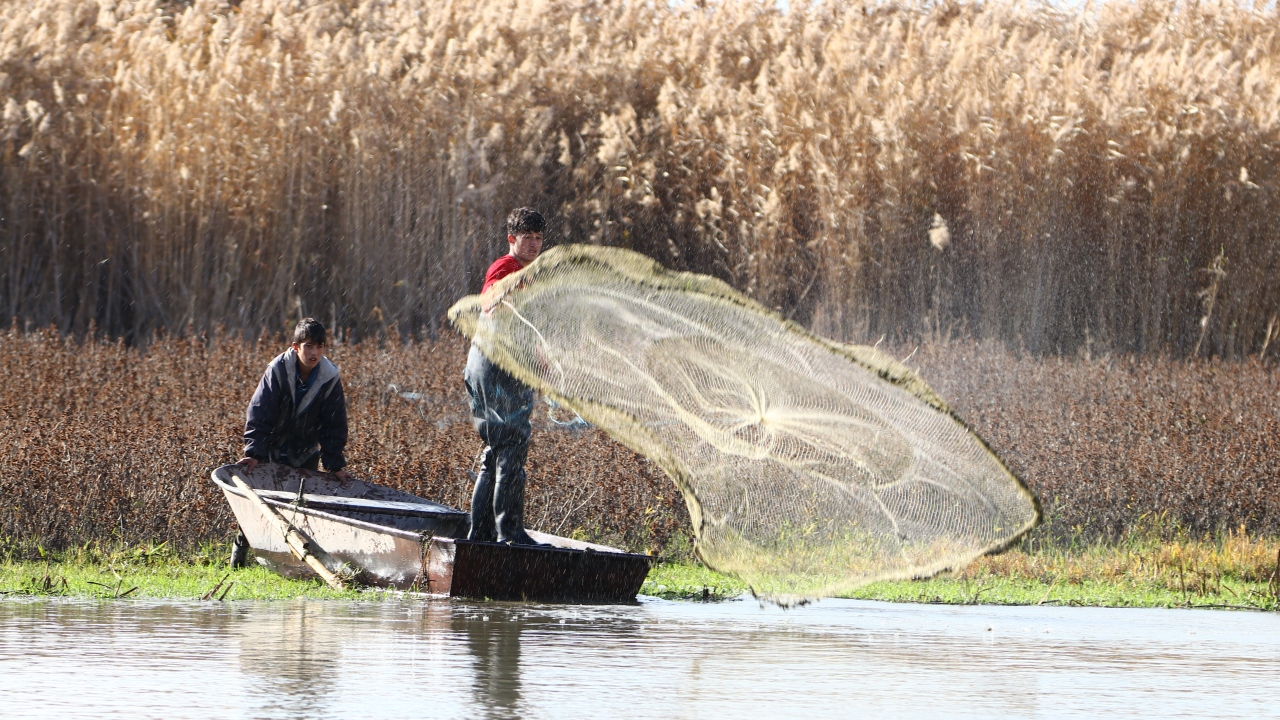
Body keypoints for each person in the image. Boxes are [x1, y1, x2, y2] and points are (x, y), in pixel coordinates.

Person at [465, 207, 546, 545]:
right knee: (513, 446)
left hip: (495, 367)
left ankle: (480, 533)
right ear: (512, 239)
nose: (534, 245)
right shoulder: (505, 268)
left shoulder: (532, 273)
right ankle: (509, 534)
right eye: (527, 238)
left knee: (496, 450)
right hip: (495, 368)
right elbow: (493, 303)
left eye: (539, 239)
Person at [237, 317, 351, 480]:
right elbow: (260, 413)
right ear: (296, 347)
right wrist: (254, 453)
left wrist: (334, 466)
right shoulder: (278, 370)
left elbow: (333, 424)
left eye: (319, 347)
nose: (314, 353)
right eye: (308, 346)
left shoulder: (329, 377)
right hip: (271, 451)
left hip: (305, 454)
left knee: (299, 499)